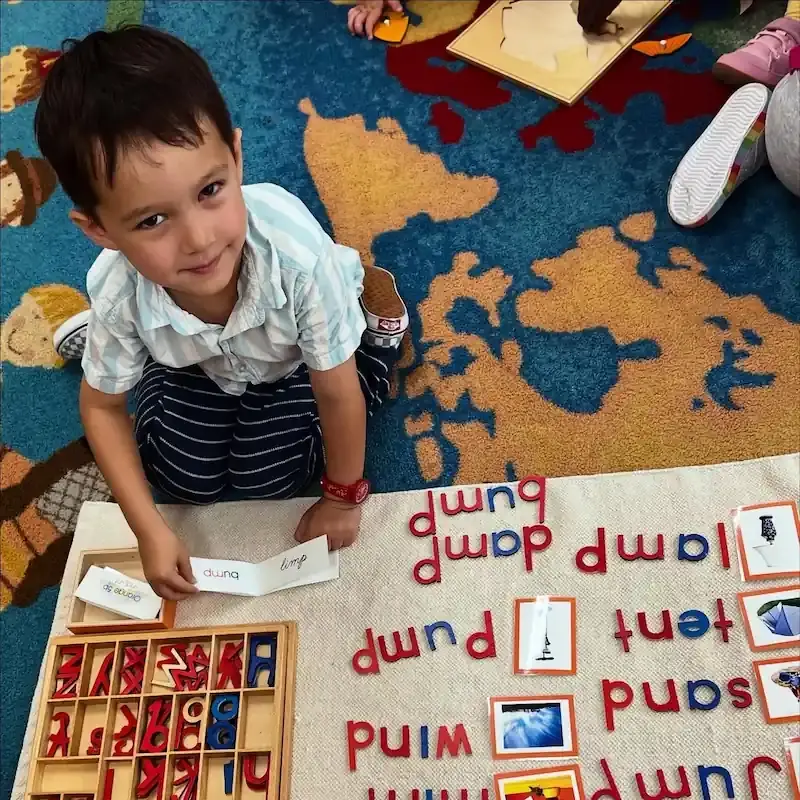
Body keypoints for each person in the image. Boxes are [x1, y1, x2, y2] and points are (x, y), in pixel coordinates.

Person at [35, 26, 409, 600]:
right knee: (179, 478)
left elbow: (335, 393)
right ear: (100, 230)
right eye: (152, 221)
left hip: (293, 364)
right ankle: (113, 343)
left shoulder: (300, 263)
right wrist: (149, 529)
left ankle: (377, 342)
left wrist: (341, 496)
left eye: (210, 189)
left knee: (274, 477)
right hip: (194, 361)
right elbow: (103, 409)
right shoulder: (118, 287)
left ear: (235, 158)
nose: (200, 239)